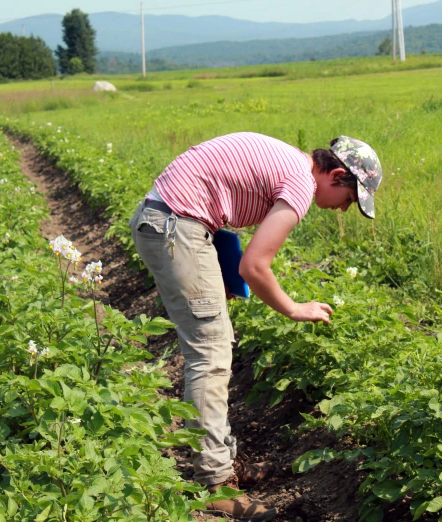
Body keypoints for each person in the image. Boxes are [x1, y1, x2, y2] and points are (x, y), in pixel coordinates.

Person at [129, 132, 382, 521]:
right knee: (210, 354)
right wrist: (294, 309)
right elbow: (255, 266)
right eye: (349, 200)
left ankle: (224, 461)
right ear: (334, 175)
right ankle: (215, 483)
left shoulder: (292, 162)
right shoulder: (299, 184)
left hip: (171, 220)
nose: (343, 210)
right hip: (176, 225)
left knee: (215, 344)